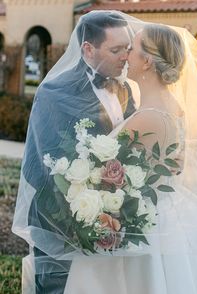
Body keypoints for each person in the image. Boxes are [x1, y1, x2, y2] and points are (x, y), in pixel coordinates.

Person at [64, 21, 197, 294]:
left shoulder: (149, 118)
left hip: (145, 224)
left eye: (132, 49)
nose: (125, 56)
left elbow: (98, 167)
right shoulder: (172, 107)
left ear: (146, 62)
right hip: (168, 212)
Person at [12, 11, 136, 294]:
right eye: (116, 50)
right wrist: (83, 214)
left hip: (112, 221)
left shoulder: (125, 89)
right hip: (60, 223)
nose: (125, 57)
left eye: (127, 49)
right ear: (88, 50)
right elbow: (40, 166)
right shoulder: (54, 92)